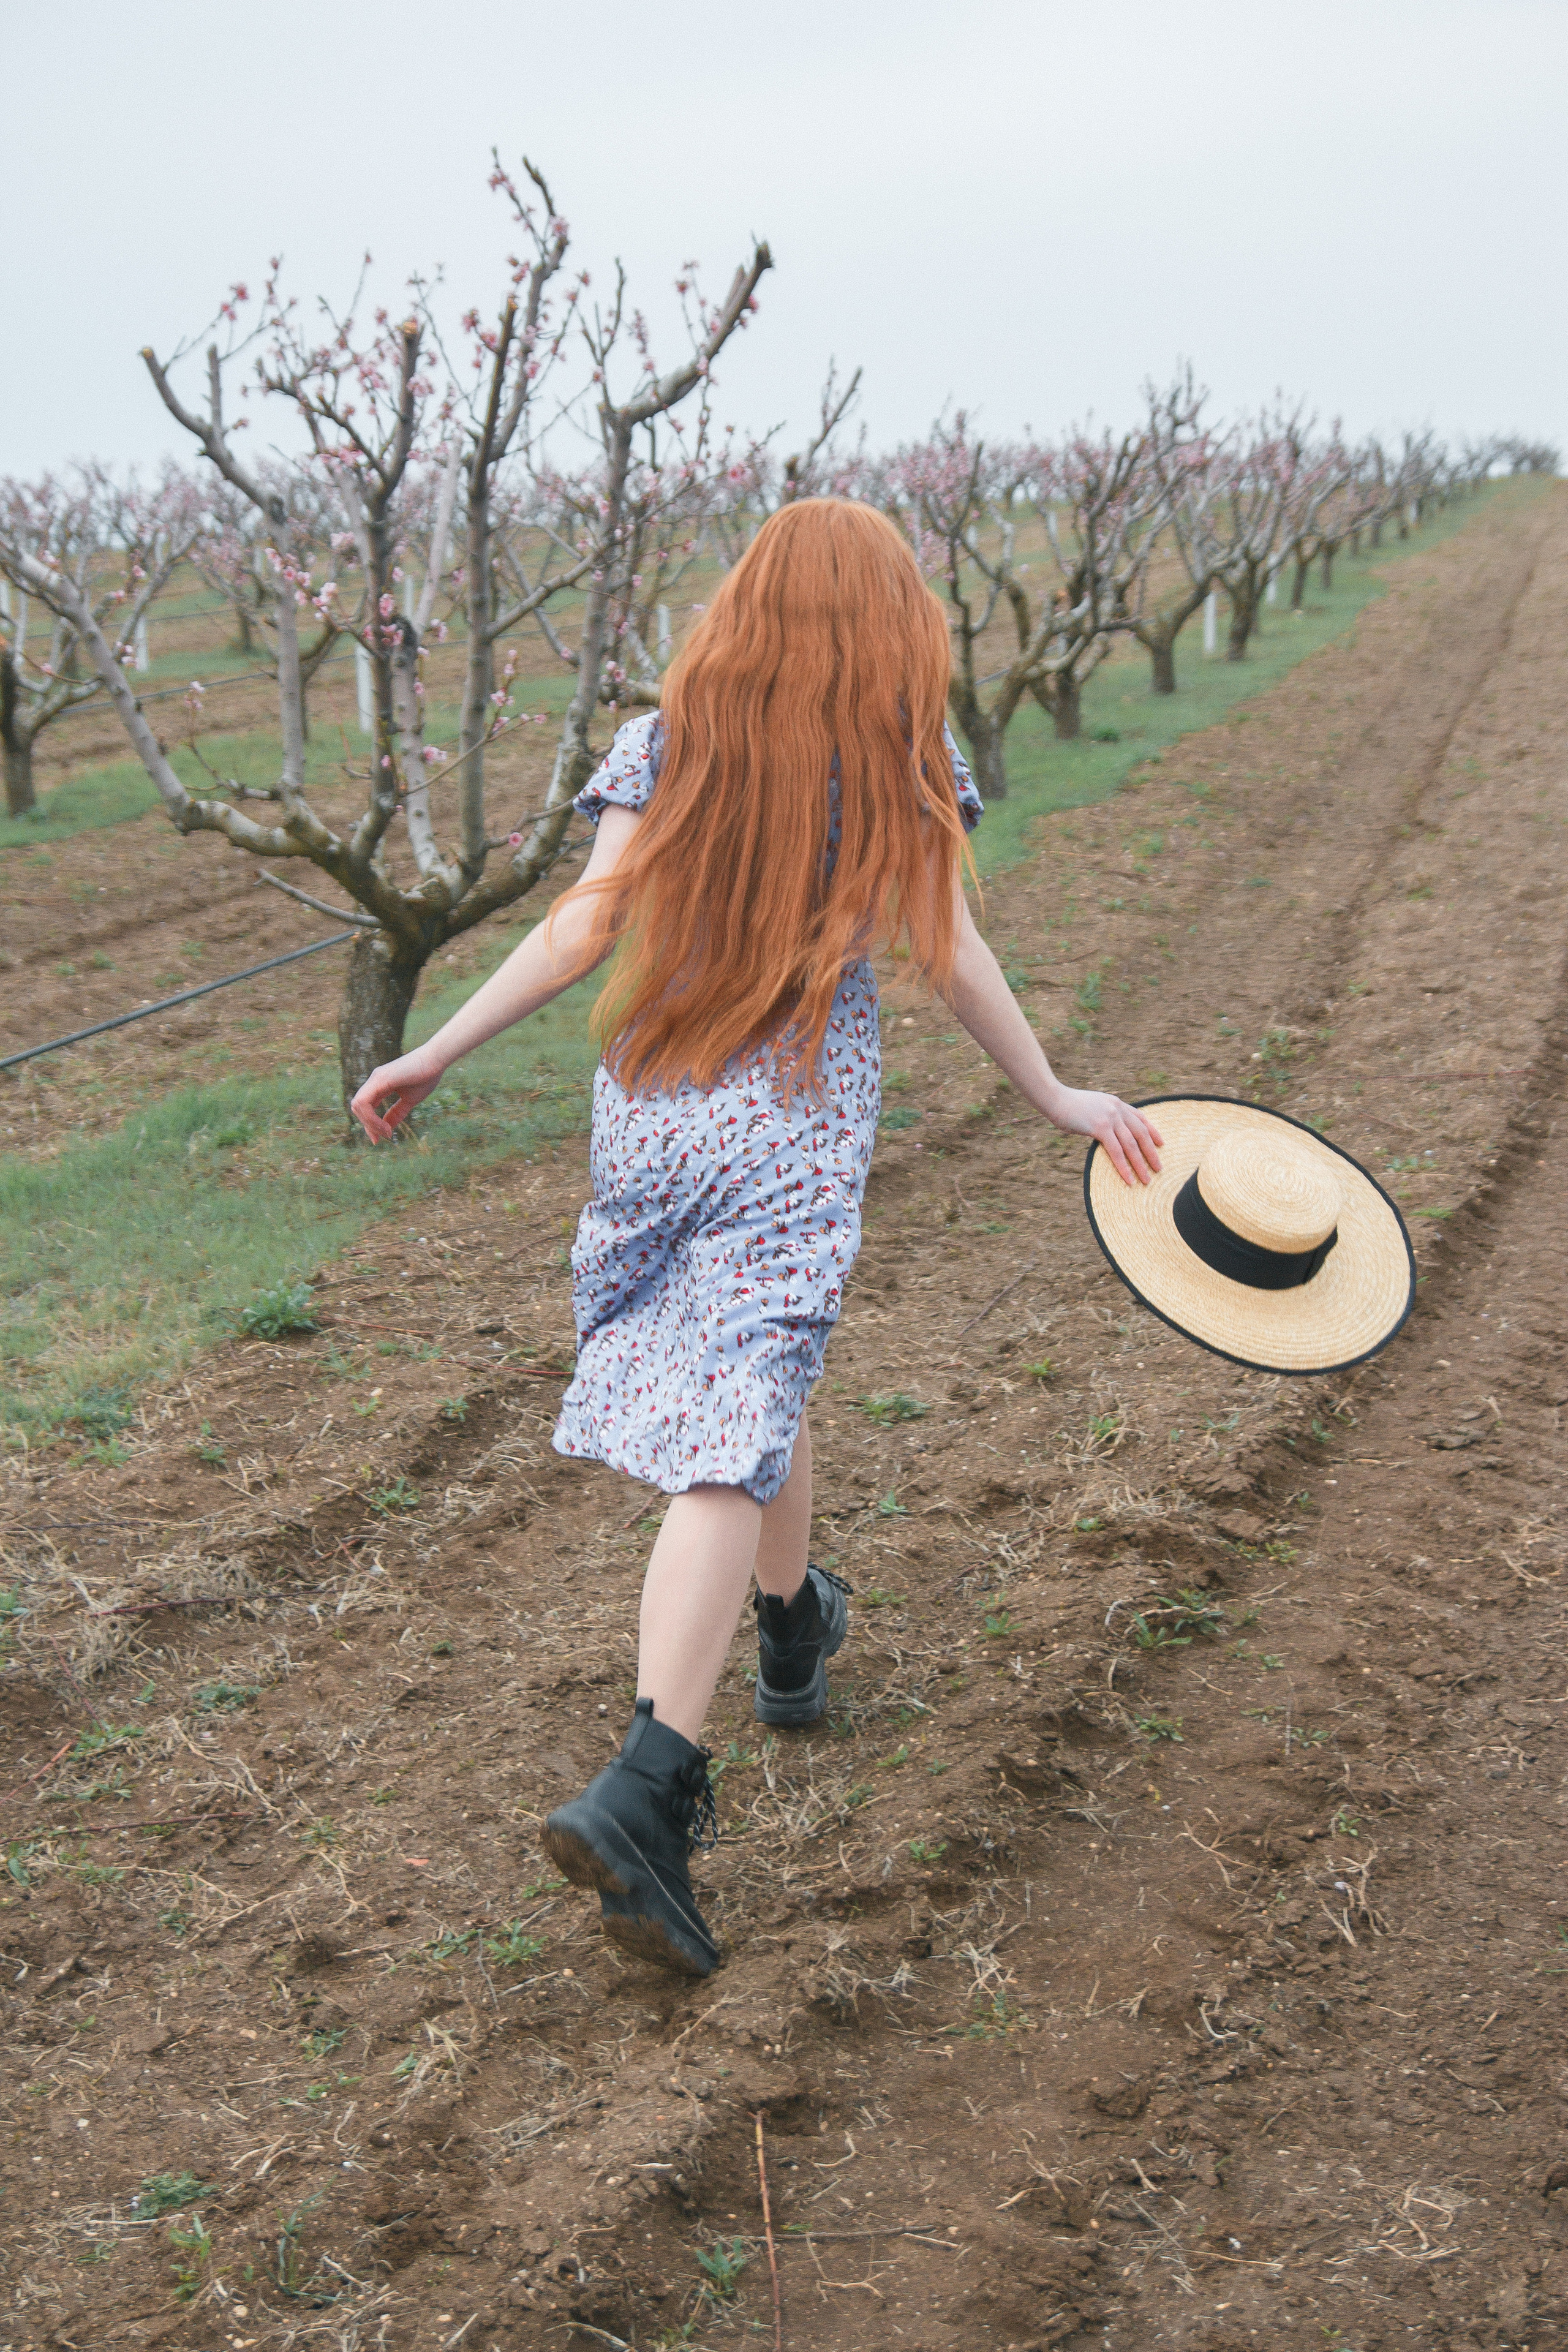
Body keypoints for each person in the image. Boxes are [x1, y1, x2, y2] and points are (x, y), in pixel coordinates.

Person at [350, 498, 1163, 1978]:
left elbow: (582, 927)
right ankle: (650, 1784)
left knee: (763, 1381)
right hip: (788, 1134)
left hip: (652, 1110)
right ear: (892, 624)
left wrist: (434, 1050)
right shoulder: (909, 757)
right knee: (732, 1434)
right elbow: (949, 948)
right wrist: (1053, 1093)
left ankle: (793, 1629)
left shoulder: (667, 739)